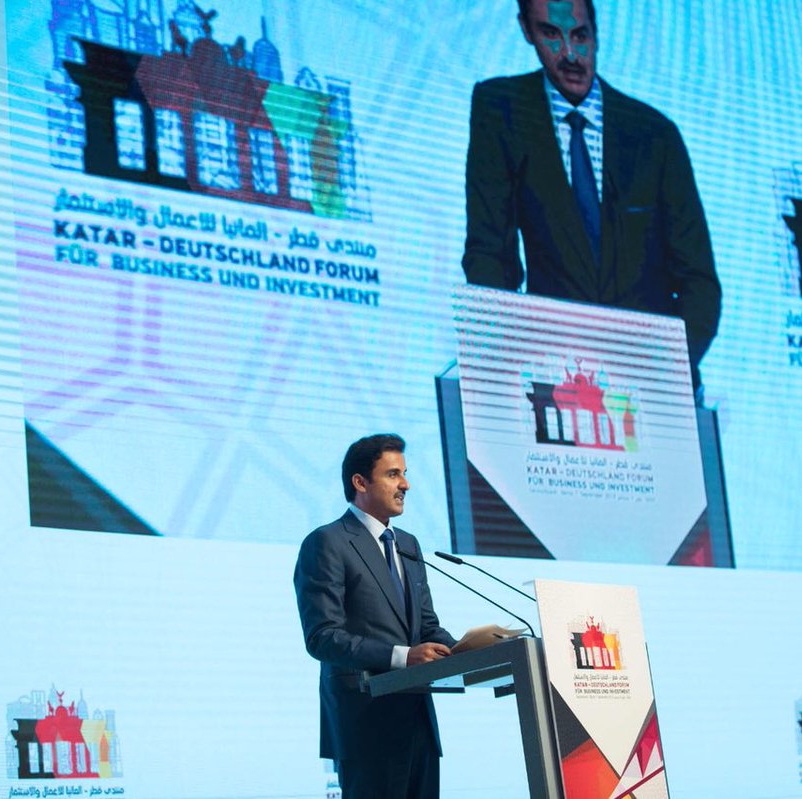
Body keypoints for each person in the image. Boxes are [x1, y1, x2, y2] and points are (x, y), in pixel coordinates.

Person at [462, 0, 722, 386]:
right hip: (555, 379)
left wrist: (666, 372)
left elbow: (698, 282)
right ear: (526, 30)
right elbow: (488, 255)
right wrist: (511, 363)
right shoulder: (502, 110)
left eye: (580, 36)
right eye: (552, 34)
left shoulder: (655, 133)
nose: (570, 54)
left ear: (596, 35)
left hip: (653, 383)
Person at [294, 434, 458, 799]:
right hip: (365, 727)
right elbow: (322, 636)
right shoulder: (328, 542)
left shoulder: (408, 544)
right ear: (360, 482)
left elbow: (426, 626)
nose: (406, 485)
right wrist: (403, 656)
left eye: (405, 474)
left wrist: (470, 648)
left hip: (418, 724)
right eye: (393, 474)